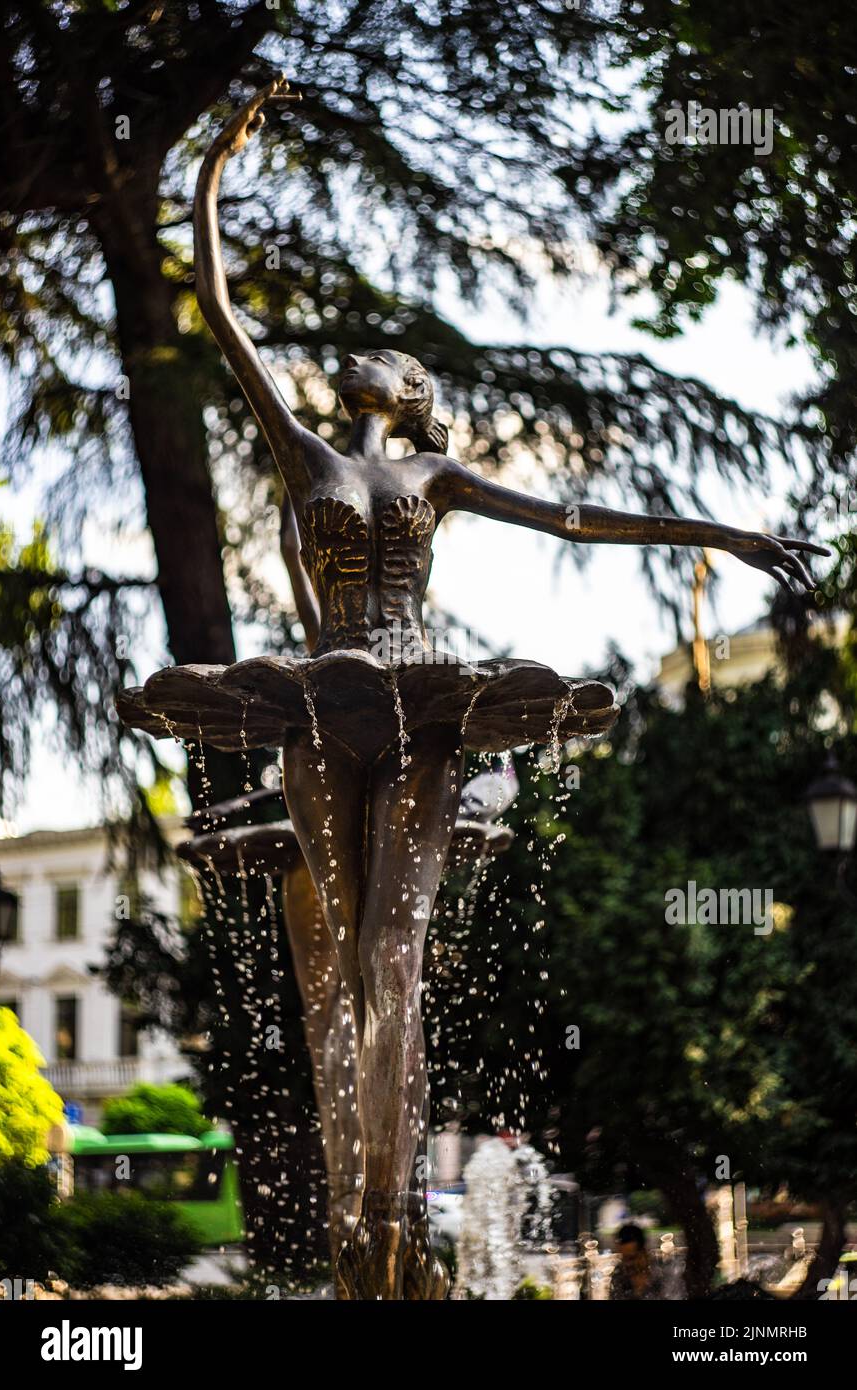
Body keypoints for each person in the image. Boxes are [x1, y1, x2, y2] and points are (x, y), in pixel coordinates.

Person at [121, 76, 824, 1299]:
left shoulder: (437, 471)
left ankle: (393, 1231)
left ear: (405, 393)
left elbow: (571, 519)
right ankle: (358, 1231)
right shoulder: (303, 452)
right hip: (319, 697)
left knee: (391, 952)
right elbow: (220, 312)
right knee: (340, 959)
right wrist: (214, 167)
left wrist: (715, 530)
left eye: (382, 356)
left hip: (425, 703)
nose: (359, 354)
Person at [609, 1224, 666, 1301]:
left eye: (631, 1258)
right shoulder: (619, 1275)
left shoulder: (661, 1274)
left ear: (644, 1253)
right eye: (624, 1258)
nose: (627, 1264)